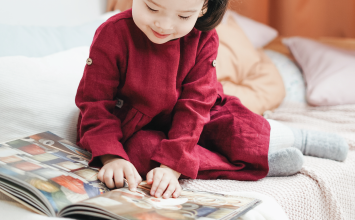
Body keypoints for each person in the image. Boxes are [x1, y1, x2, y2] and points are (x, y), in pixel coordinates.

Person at [75, 0, 349, 200]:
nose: (164, 24)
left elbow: (195, 105)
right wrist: (112, 157)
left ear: (203, 8)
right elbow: (95, 102)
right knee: (139, 154)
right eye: (152, 8)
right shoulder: (113, 33)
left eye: (183, 15)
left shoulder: (204, 37)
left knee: (239, 128)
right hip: (138, 126)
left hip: (197, 115)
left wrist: (172, 166)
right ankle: (251, 164)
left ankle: (300, 138)